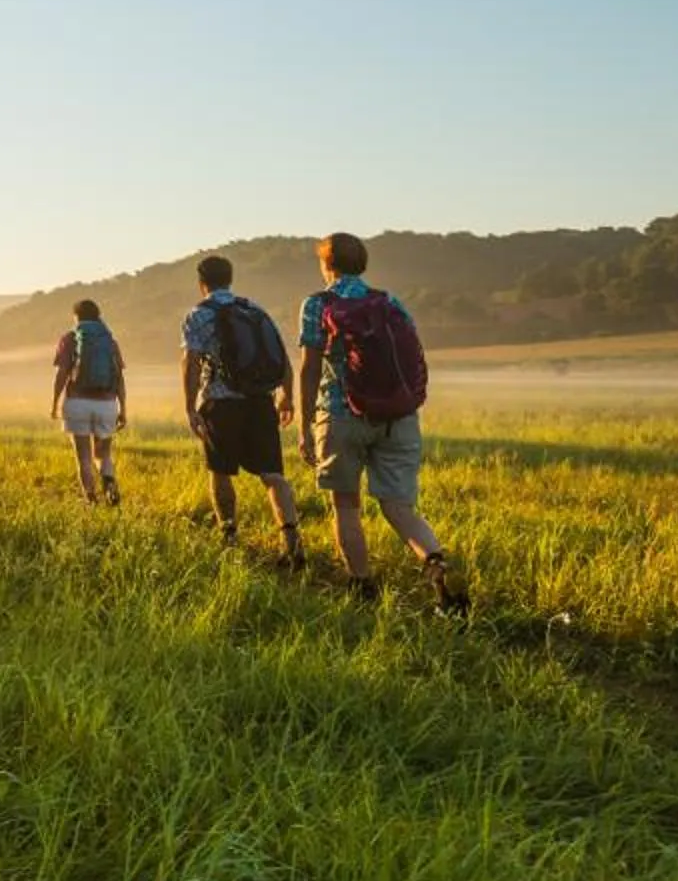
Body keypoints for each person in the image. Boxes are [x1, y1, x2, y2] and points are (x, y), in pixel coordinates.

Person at [296, 233, 465, 609]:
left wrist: (304, 425)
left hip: (342, 415)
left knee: (345, 503)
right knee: (399, 506)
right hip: (398, 415)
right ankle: (437, 565)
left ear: (328, 264)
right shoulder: (389, 301)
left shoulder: (318, 304)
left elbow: (309, 369)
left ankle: (361, 587)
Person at [180, 254, 304, 567]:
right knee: (273, 474)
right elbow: (282, 359)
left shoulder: (198, 315)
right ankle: (291, 539)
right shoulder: (255, 310)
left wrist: (190, 406)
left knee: (220, 470)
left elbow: (191, 363)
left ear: (201, 283)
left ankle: (229, 534)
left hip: (221, 403)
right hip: (261, 400)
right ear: (230, 278)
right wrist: (287, 397)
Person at [48, 298, 127, 504]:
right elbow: (119, 378)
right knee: (103, 455)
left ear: (76, 317)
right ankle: (109, 481)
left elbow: (62, 374)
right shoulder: (110, 341)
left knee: (83, 458)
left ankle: (91, 501)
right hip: (106, 405)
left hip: (77, 404)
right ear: (98, 316)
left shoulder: (70, 338)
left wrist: (55, 402)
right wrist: (123, 409)